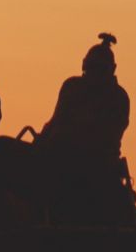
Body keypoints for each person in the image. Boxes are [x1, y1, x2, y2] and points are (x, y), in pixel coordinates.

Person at [38, 32, 130, 169]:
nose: (95, 73)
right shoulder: (73, 86)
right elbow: (56, 120)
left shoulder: (117, 98)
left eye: (99, 68)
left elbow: (108, 138)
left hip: (88, 164)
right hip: (67, 156)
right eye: (94, 67)